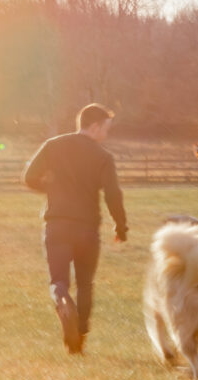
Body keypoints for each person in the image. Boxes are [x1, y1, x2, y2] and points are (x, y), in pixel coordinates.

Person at [22, 103, 128, 354]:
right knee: (85, 285)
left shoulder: (53, 145)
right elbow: (113, 195)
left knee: (59, 281)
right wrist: (120, 226)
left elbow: (28, 177)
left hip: (57, 225)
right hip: (87, 229)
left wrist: (51, 189)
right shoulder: (103, 157)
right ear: (94, 127)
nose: (106, 135)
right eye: (105, 129)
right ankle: (78, 340)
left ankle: (61, 300)